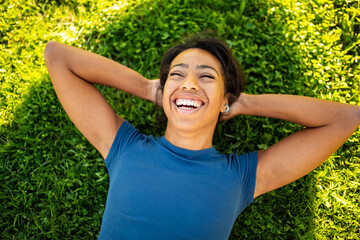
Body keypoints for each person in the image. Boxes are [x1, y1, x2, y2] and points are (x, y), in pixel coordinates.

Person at [44, 36, 360, 239]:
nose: (190, 83)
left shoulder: (242, 177)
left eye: (206, 76)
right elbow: (57, 56)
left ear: (226, 99)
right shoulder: (124, 147)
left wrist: (244, 102)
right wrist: (146, 87)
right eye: (177, 74)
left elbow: (346, 119)